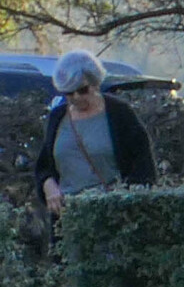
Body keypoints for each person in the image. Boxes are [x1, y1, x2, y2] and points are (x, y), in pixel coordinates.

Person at [34, 51, 157, 214]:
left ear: (96, 83)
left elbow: (143, 166)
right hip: (67, 218)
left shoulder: (119, 113)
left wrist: (126, 203)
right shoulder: (57, 117)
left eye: (82, 90)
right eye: (69, 92)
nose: (76, 97)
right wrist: (48, 185)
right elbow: (44, 167)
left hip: (111, 214)